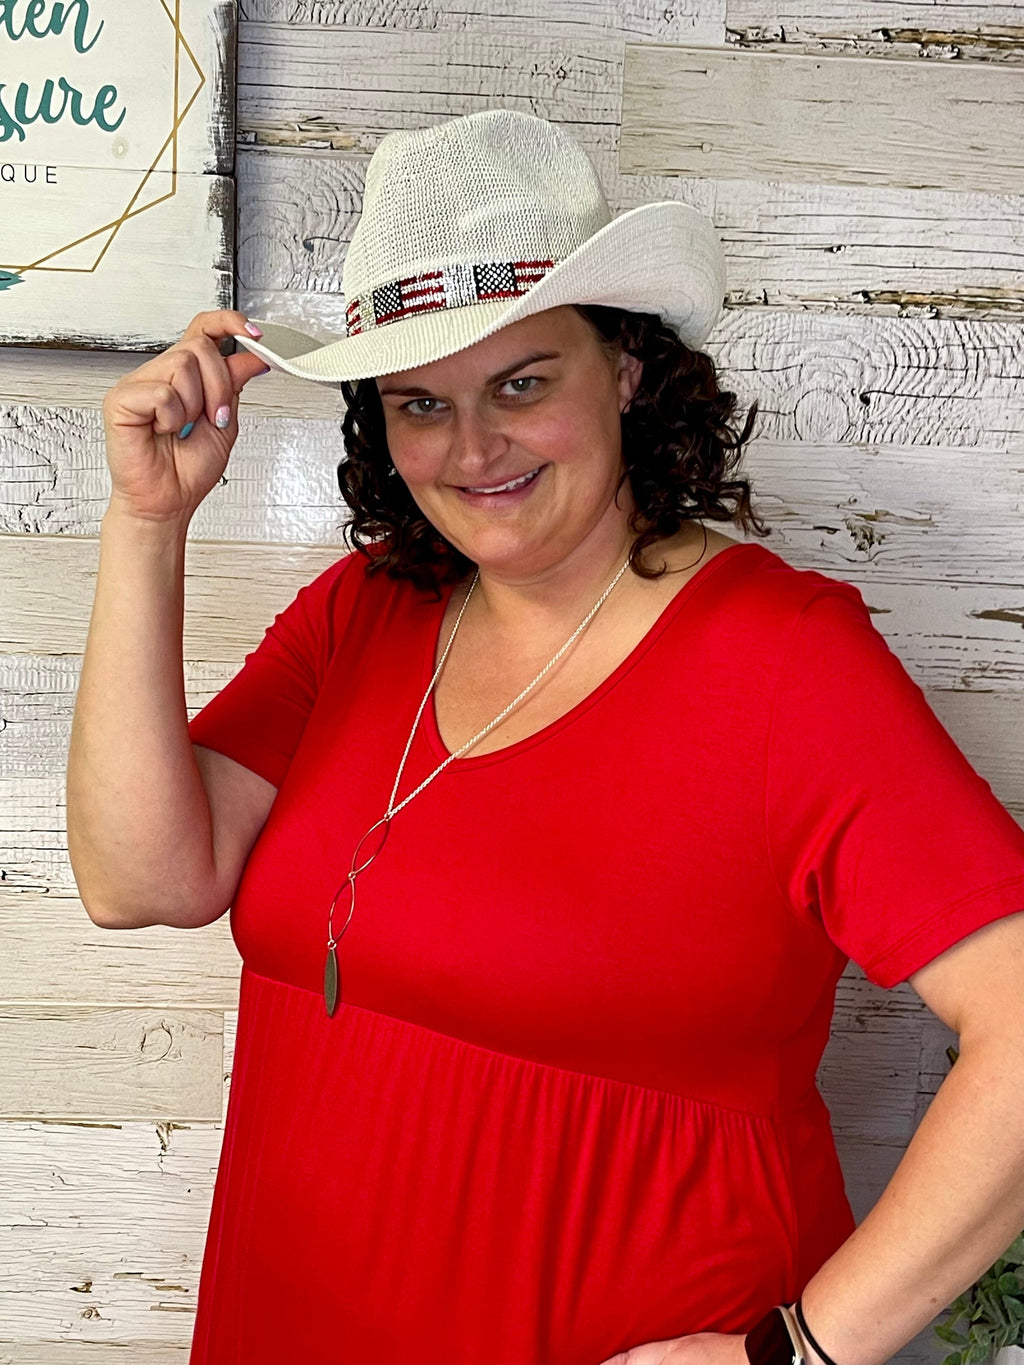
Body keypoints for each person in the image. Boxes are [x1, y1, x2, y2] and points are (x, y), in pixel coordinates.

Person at [66, 108, 1024, 1365]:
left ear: (624, 369)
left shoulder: (784, 658)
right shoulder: (366, 613)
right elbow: (142, 882)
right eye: (422, 404)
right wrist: (148, 524)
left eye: (523, 383)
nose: (473, 450)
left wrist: (798, 1351)